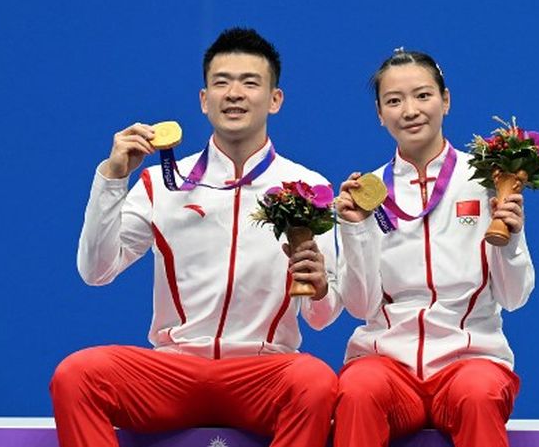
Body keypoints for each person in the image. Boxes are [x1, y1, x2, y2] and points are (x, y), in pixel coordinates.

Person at [50, 27, 342, 447]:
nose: (234, 93)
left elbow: (322, 315)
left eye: (250, 82)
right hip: (174, 371)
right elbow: (95, 270)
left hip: (263, 374)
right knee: (77, 375)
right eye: (221, 82)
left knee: (314, 380)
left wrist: (319, 289)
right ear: (204, 101)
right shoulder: (161, 183)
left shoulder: (307, 187)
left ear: (275, 100)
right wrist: (113, 177)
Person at [333, 49, 535, 447]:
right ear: (379, 113)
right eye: (394, 100)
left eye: (423, 95)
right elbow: (359, 307)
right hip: (387, 367)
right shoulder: (366, 193)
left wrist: (509, 243)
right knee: (357, 389)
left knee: (479, 393)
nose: (410, 110)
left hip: (470, 362)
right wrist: (354, 232)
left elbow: (514, 297)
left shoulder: (487, 181)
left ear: (446, 100)